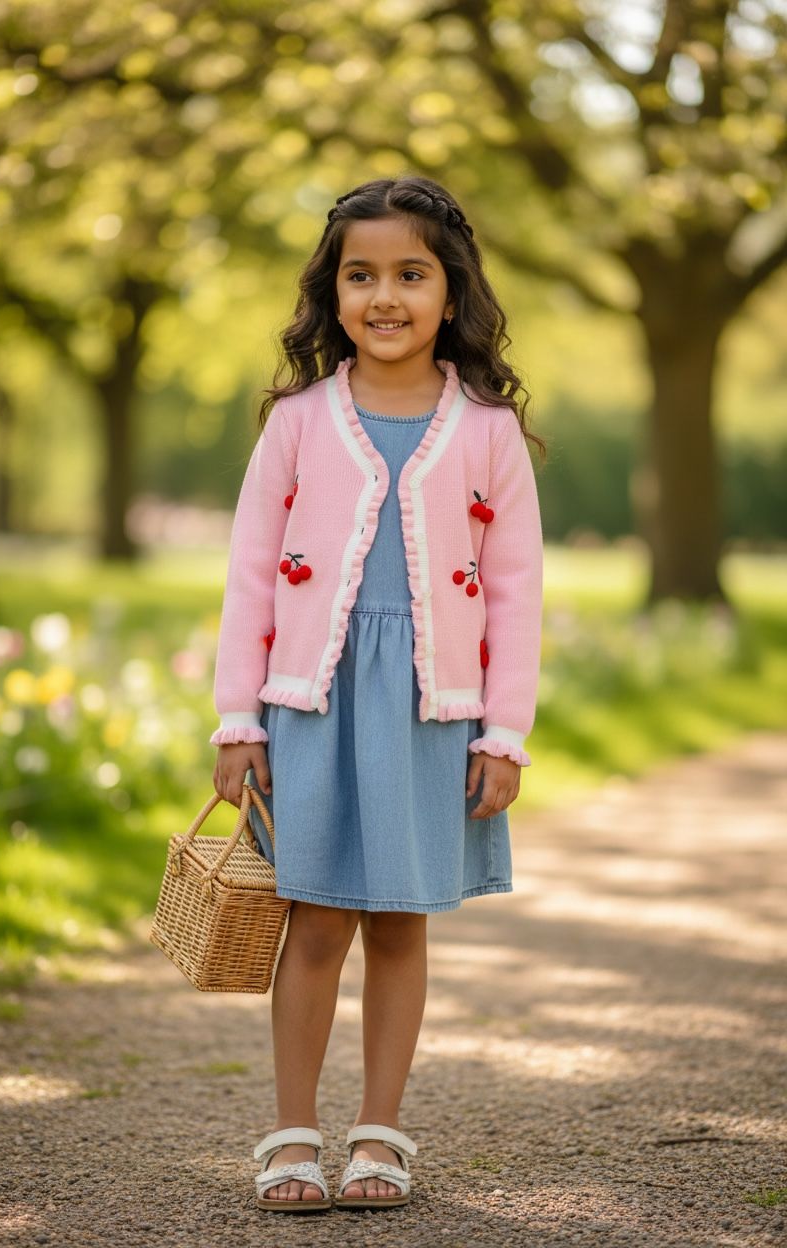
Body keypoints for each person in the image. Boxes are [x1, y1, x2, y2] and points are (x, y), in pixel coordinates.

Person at [210, 175, 545, 1214]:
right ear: (332, 290)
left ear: (452, 292)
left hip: (427, 712)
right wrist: (237, 717)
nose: (385, 295)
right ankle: (292, 1133)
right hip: (310, 703)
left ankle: (380, 1136)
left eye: (411, 273)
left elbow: (519, 588)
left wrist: (503, 733)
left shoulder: (487, 428)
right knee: (312, 922)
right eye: (362, 275)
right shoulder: (298, 422)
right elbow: (251, 573)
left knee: (400, 922)